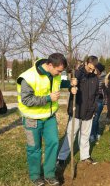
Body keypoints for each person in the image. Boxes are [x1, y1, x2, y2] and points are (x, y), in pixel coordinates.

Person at [17, 53, 72, 186]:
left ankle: (49, 174)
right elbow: (26, 100)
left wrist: (70, 83)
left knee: (53, 143)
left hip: (49, 117)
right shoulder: (28, 77)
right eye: (59, 71)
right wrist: (48, 98)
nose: (60, 73)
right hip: (32, 119)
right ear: (50, 65)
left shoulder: (55, 74)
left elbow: (58, 82)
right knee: (34, 148)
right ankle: (35, 176)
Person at [58, 56, 99, 165]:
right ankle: (61, 158)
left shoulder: (95, 78)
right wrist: (72, 88)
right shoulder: (78, 74)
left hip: (89, 112)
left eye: (93, 68)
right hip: (77, 110)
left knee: (85, 135)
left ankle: (85, 156)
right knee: (70, 135)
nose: (91, 70)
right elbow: (71, 84)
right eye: (90, 68)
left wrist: (94, 109)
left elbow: (96, 95)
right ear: (86, 63)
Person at [90, 63, 106, 143]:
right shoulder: (91, 76)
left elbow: (105, 91)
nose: (94, 70)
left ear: (99, 70)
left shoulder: (103, 78)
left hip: (99, 100)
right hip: (91, 100)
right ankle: (94, 133)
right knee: (92, 118)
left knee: (95, 118)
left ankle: (94, 134)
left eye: (96, 69)